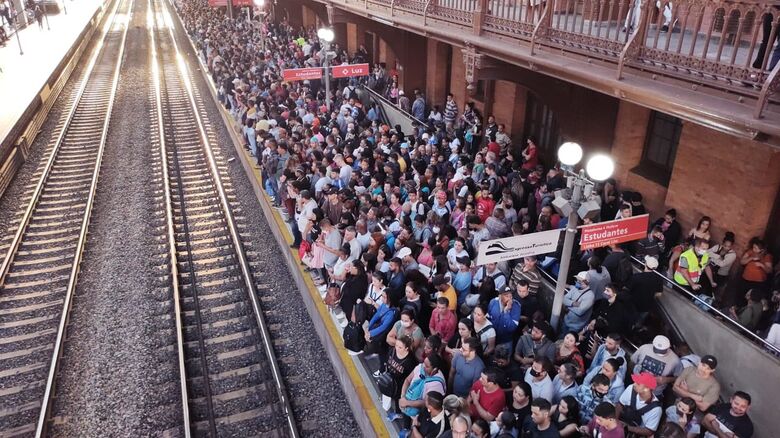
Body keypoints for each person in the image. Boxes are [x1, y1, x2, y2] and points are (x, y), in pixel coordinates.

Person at [400, 354, 447, 426]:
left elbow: (427, 402)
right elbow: (407, 380)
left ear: (435, 369)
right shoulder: (420, 367)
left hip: (420, 413)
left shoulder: (437, 384)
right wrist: (403, 396)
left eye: (427, 366)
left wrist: (407, 403)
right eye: (424, 363)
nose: (424, 367)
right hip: (407, 400)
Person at [615, 372, 662, 437]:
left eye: (638, 383)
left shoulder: (656, 409)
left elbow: (649, 431)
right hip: (622, 420)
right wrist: (615, 421)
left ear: (646, 389)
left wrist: (626, 427)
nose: (634, 384)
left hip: (635, 432)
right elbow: (620, 405)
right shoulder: (631, 388)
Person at [385, 336, 419, 421]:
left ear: (406, 348)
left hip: (402, 386)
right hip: (391, 383)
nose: (397, 348)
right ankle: (397, 413)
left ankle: (406, 425)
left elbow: (411, 378)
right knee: (395, 400)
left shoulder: (410, 361)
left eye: (400, 347)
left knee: (403, 404)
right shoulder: (392, 351)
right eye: (396, 345)